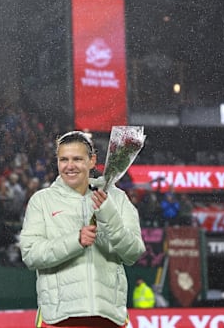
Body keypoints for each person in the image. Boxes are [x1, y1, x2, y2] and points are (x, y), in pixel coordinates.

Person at [20, 130, 145, 328]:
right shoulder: (42, 201)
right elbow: (30, 255)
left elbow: (133, 253)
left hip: (109, 317)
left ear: (92, 160)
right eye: (63, 159)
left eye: (77, 159)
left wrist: (109, 216)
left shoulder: (117, 198)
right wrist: (75, 241)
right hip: (58, 319)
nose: (69, 166)